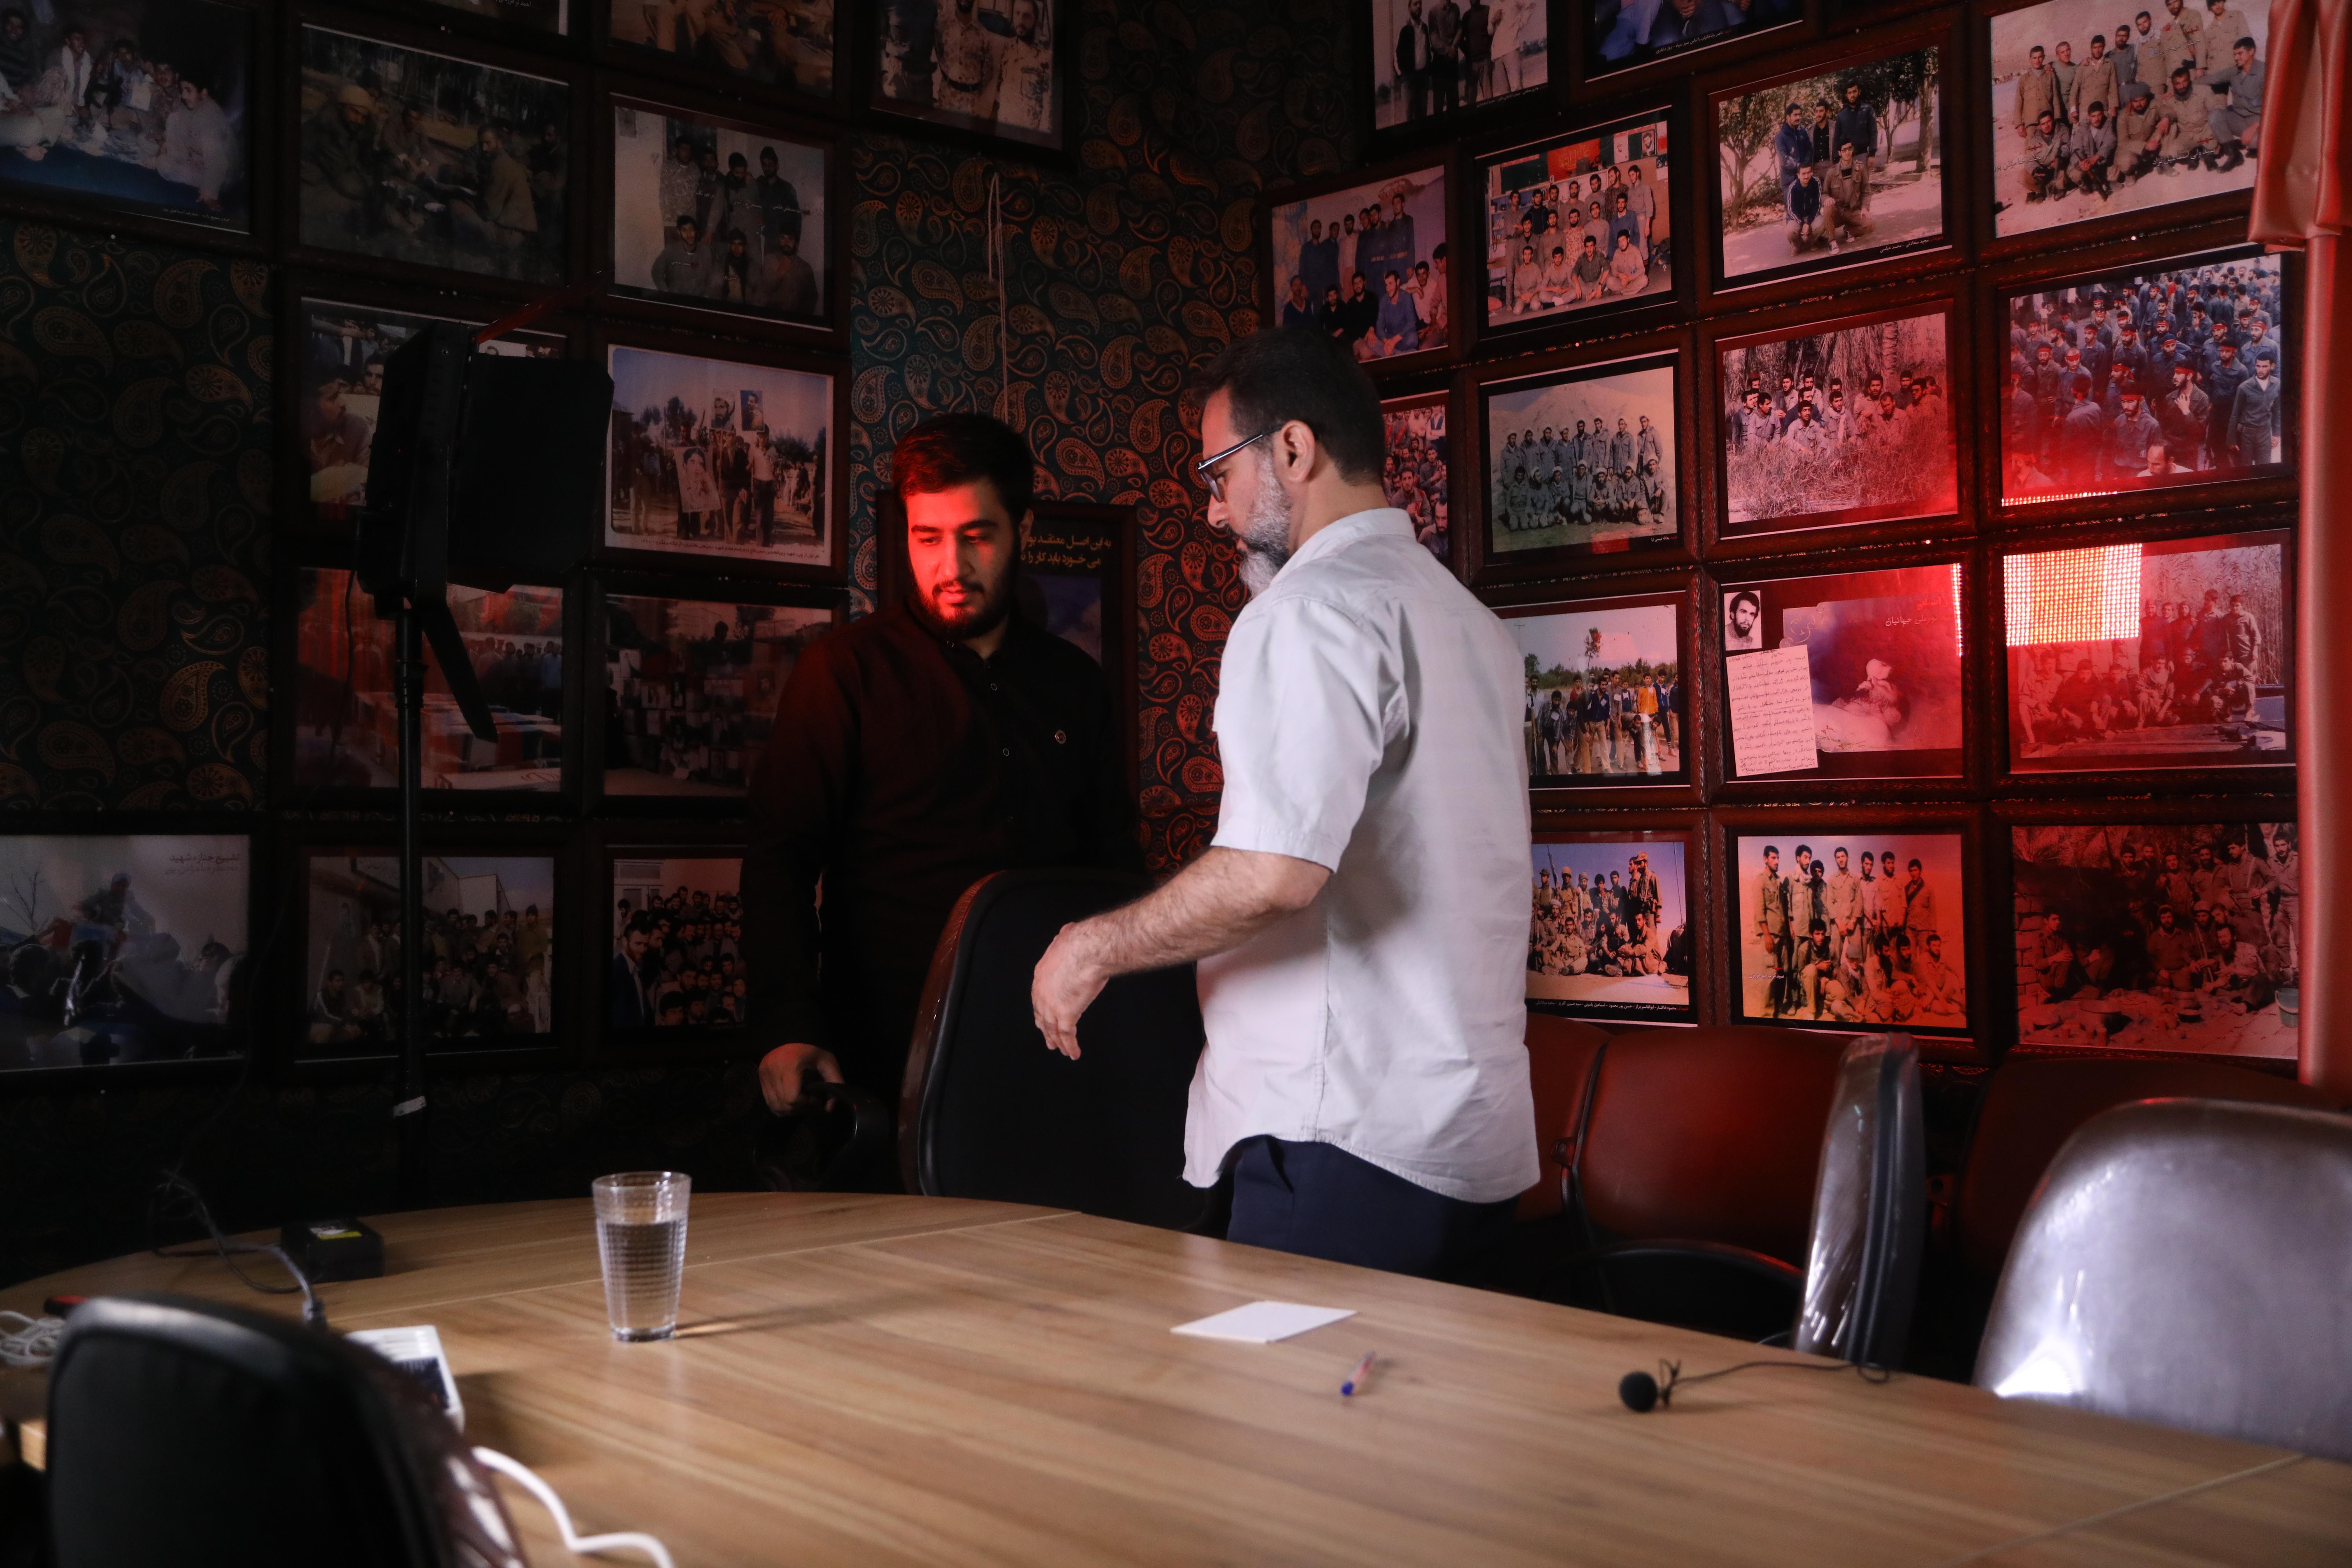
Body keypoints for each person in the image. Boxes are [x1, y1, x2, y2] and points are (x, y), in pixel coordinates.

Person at [1029, 329, 1533, 1279]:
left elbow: (1273, 873)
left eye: (1220, 474)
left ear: (1294, 450)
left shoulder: (1308, 610)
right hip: (1468, 1140)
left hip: (1342, 1142)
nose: (1213, 511)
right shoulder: (1470, 623)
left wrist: (1090, 946)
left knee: (1294, 1386)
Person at [744, 414, 1138, 1120]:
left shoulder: (1076, 684)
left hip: (1057, 1052)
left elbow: (1115, 865)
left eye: (976, 536)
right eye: (928, 538)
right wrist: (787, 1024)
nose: (950, 567)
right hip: (885, 1060)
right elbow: (780, 862)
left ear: (1024, 529)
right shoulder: (844, 673)